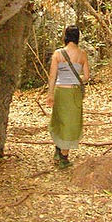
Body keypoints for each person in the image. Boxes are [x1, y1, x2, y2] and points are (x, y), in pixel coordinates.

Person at [46, 25, 90, 169]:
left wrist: (50, 94)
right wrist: (76, 79)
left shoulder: (58, 54)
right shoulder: (82, 54)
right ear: (78, 37)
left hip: (60, 91)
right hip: (74, 92)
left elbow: (52, 76)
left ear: (65, 36)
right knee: (71, 122)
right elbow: (86, 77)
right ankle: (64, 157)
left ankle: (58, 150)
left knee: (59, 120)